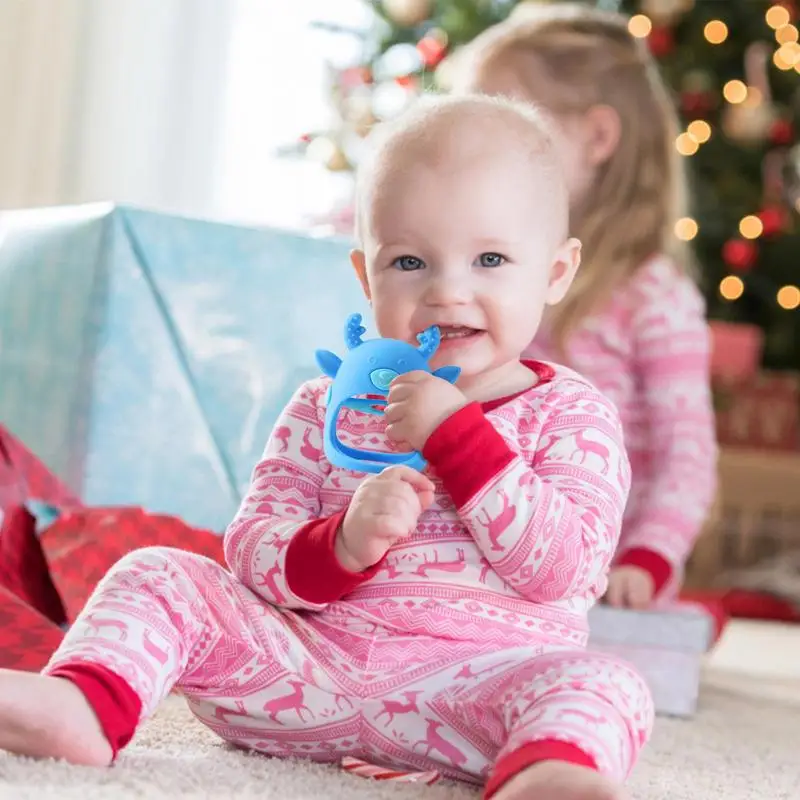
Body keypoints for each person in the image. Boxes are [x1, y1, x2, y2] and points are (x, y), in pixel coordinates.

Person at [0, 94, 652, 800]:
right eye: (410, 262)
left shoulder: (572, 413)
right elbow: (251, 549)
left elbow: (565, 569)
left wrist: (459, 437)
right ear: (367, 278)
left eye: (490, 258)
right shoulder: (324, 407)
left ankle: (545, 772)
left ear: (556, 272)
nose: (448, 291)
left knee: (609, 684)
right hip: (304, 674)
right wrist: (340, 544)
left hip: (473, 696)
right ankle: (85, 705)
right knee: (160, 572)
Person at [453, 3, 718, 611]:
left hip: (601, 573)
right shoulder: (484, 275)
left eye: (504, 120)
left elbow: (688, 455)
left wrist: (648, 558)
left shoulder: (655, 297)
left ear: (596, 137)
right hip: (489, 545)